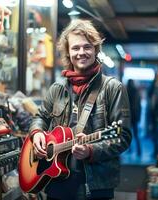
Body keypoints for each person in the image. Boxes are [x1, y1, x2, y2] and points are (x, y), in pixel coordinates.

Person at [29, 19, 132, 200]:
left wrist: (92, 150)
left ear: (96, 50)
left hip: (94, 186)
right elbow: (41, 117)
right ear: (68, 52)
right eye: (75, 48)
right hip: (56, 182)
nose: (81, 53)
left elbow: (122, 136)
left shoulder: (113, 88)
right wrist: (37, 132)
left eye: (87, 47)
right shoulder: (57, 88)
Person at [126, 79, 141, 155]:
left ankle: (130, 149)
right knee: (136, 134)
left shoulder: (126, 92)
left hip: (129, 116)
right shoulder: (136, 92)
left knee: (128, 134)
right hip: (135, 116)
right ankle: (139, 151)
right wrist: (138, 117)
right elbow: (139, 105)